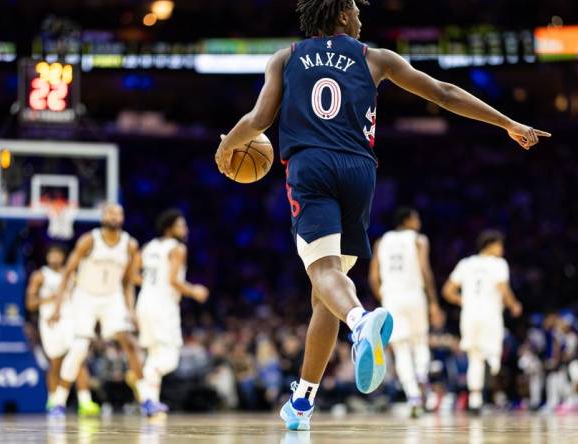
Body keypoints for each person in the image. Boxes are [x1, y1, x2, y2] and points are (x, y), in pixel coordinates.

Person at [214, 0, 548, 430]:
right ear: (339, 16)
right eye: (353, 8)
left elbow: (259, 119)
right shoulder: (376, 57)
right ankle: (302, 400)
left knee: (326, 276)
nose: (359, 15)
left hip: (311, 167)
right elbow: (444, 93)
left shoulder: (286, 58)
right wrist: (507, 123)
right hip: (359, 172)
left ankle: (361, 320)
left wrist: (226, 146)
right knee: (324, 294)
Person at [47, 203, 144, 416]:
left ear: (123, 217)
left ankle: (147, 399)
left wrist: (131, 310)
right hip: (85, 296)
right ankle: (58, 401)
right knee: (80, 347)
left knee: (129, 341)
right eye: (110, 212)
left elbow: (128, 281)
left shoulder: (130, 245)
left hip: (112, 297)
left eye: (118, 212)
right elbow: (66, 273)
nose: (114, 216)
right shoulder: (89, 240)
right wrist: (56, 308)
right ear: (102, 216)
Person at [368, 207, 442, 417]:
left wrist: (384, 297)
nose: (418, 222)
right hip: (414, 295)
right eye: (416, 218)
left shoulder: (381, 242)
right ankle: (421, 374)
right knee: (420, 342)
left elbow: (374, 277)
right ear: (408, 220)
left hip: (392, 296)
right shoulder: (418, 239)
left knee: (400, 348)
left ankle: (413, 396)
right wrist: (434, 302)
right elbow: (425, 270)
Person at [135, 209, 209, 417]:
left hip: (144, 301)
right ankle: (143, 384)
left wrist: (151, 285)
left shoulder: (148, 246)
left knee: (154, 354)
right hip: (163, 305)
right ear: (169, 228)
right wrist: (195, 291)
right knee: (169, 359)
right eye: (180, 225)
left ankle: (150, 401)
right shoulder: (177, 248)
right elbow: (173, 281)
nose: (185, 229)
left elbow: (132, 275)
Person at [442, 230, 522, 412]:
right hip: (490, 314)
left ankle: (475, 401)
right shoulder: (498, 264)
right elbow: (503, 287)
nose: (502, 249)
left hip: (469, 315)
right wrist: (514, 305)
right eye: (500, 245)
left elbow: (447, 290)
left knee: (474, 357)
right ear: (490, 245)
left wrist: (464, 301)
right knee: (493, 354)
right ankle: (490, 369)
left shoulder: (466, 263)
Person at [25, 244, 100, 416]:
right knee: (56, 361)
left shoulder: (73, 275)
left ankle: (85, 401)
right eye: (51, 253)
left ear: (64, 256)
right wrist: (49, 299)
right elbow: (30, 304)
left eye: (57, 254)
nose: (54, 257)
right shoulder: (40, 276)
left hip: (71, 320)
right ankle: (53, 400)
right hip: (50, 321)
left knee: (78, 359)